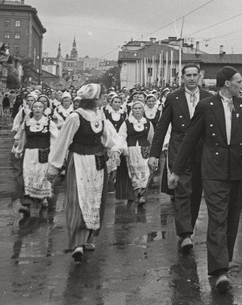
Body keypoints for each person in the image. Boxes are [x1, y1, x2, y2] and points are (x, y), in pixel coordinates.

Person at [168, 66, 242, 293]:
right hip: (213, 172)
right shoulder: (206, 106)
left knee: (231, 218)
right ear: (227, 83)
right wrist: (176, 171)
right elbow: (189, 140)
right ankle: (220, 270)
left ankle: (224, 261)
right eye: (239, 81)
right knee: (218, 217)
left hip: (238, 172)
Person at [46, 83, 126, 262]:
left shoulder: (100, 115)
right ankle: (78, 242)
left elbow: (107, 137)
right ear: (94, 99)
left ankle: (88, 238)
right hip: (80, 161)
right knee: (78, 199)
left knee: (96, 199)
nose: (104, 99)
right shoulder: (75, 117)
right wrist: (54, 165)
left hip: (97, 162)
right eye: (101, 96)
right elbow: (62, 141)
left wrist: (115, 149)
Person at [148, 64, 215, 252]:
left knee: (195, 192)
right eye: (188, 75)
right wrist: (154, 154)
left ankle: (189, 227)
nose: (192, 79)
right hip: (179, 152)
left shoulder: (209, 97)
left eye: (195, 75)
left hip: (202, 152)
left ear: (200, 76)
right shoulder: (173, 98)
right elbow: (162, 127)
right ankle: (185, 234)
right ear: (182, 77)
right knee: (182, 191)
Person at [13, 101, 58, 217]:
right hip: (29, 153)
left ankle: (42, 198)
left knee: (42, 176)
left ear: (44, 109)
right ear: (32, 109)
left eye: (40, 107)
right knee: (28, 176)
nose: (37, 109)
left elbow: (55, 139)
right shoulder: (27, 123)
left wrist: (53, 154)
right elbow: (23, 138)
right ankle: (26, 203)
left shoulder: (48, 123)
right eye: (35, 107)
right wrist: (19, 150)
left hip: (44, 153)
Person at [116, 101, 152, 205]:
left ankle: (142, 194)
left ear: (143, 110)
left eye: (140, 108)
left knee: (145, 171)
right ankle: (135, 193)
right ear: (132, 110)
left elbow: (151, 137)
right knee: (133, 172)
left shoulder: (147, 123)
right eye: (135, 108)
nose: (137, 110)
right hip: (131, 149)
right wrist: (123, 148)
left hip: (144, 149)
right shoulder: (127, 122)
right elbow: (122, 135)